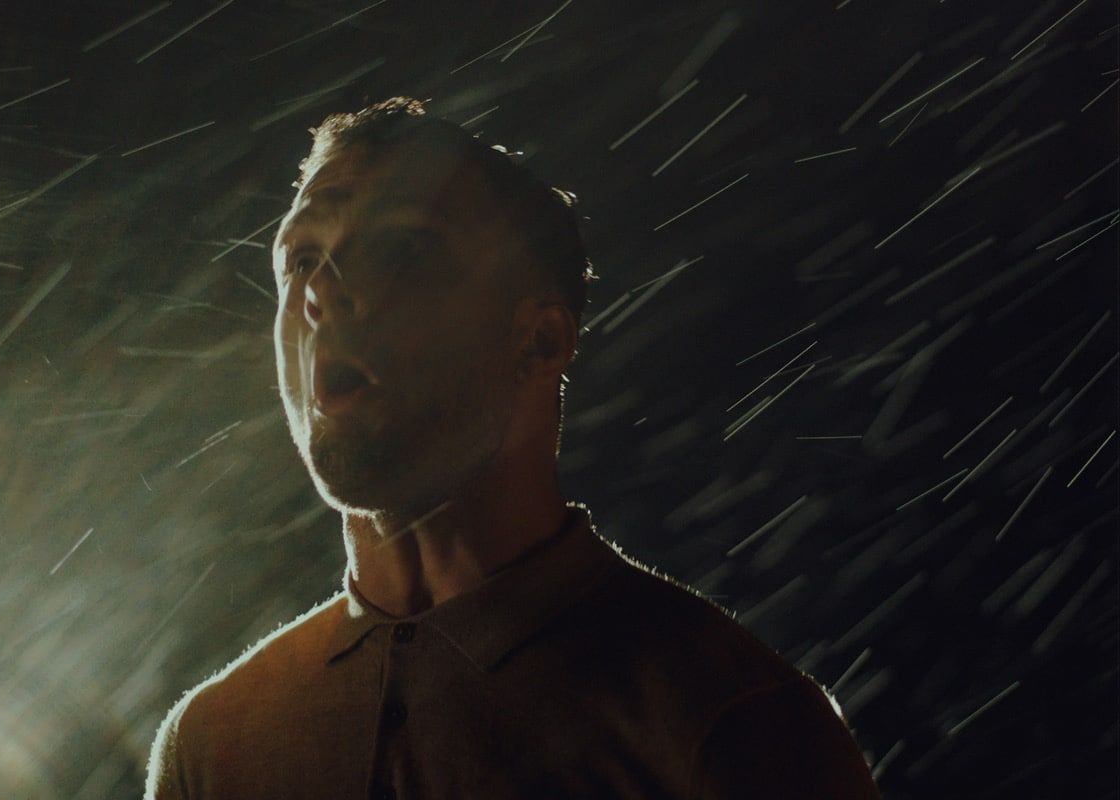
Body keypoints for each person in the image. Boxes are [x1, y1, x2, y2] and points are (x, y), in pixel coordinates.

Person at [146, 97, 882, 800]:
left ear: (539, 340)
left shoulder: (728, 720)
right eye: (302, 258)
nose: (322, 291)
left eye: (403, 249)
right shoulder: (213, 746)